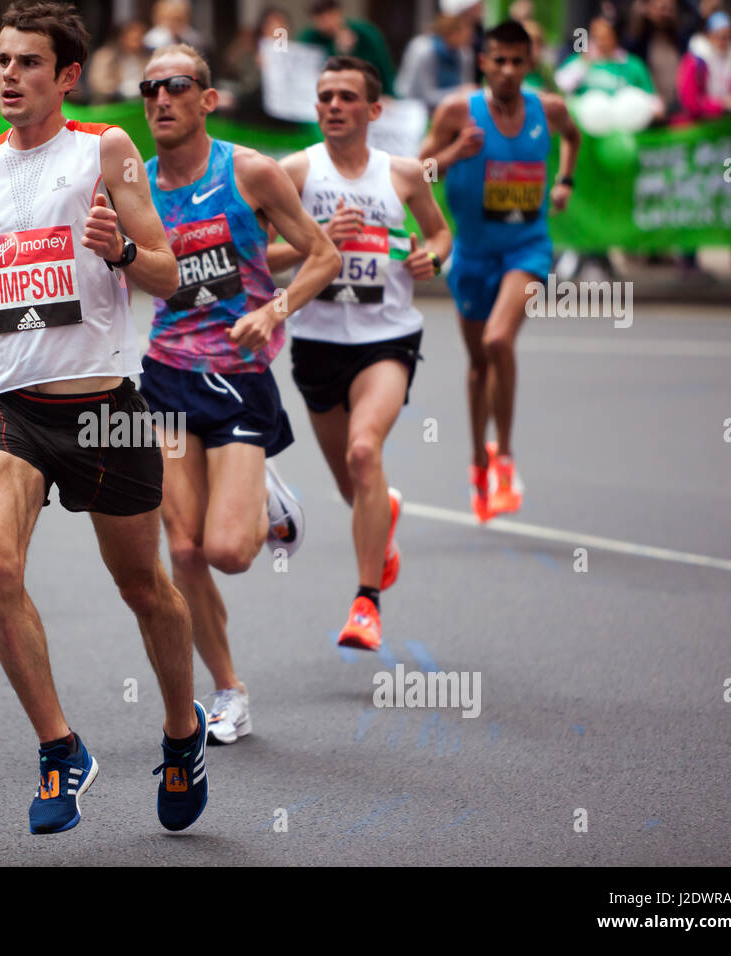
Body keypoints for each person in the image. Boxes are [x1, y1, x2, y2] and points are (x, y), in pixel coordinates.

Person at [0, 0, 209, 835]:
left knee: (145, 588)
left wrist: (121, 252)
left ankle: (181, 731)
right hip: (13, 409)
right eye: (1, 62)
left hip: (106, 409)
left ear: (66, 76)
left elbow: (171, 275)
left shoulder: (106, 150)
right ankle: (61, 751)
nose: (8, 77)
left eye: (27, 64)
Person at [138, 45, 339, 742]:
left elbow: (321, 254)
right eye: (149, 89)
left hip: (238, 376)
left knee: (228, 552)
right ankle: (229, 691)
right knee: (184, 551)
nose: (160, 99)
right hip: (164, 374)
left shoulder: (249, 170)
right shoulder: (135, 187)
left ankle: (266, 501)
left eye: (176, 86)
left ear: (208, 99)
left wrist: (272, 310)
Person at [267, 56, 450, 650]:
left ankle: (366, 603)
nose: (333, 107)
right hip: (317, 344)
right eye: (325, 97)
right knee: (355, 486)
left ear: (374, 110)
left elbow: (440, 233)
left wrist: (434, 257)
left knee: (365, 452)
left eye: (346, 97)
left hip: (387, 337)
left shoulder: (402, 175)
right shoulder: (294, 173)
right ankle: (382, 521)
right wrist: (315, 247)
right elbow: (257, 255)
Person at [419, 20, 579, 523]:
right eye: (498, 60)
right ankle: (477, 459)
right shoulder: (455, 112)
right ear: (483, 62)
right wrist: (452, 154)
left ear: (529, 64)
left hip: (527, 250)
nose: (508, 70)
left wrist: (564, 181)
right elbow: (415, 174)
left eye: (517, 61)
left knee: (498, 342)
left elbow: (572, 137)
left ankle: (504, 458)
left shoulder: (547, 109)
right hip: (471, 254)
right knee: (478, 366)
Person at [298, 0, 395, 97]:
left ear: (339, 13)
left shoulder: (365, 34)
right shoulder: (310, 38)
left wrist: (388, 94)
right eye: (320, 18)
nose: (326, 22)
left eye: (330, 15)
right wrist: (337, 51)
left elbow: (383, 68)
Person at [676, 10, 731, 123]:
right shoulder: (695, 61)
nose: (724, 41)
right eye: (719, 36)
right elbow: (690, 102)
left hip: (726, 127)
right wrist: (722, 105)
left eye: (728, 37)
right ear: (708, 35)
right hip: (699, 126)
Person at [396, 14, 475, 113]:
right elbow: (426, 96)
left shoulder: (465, 54)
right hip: (414, 109)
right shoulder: (423, 50)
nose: (471, 35)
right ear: (451, 33)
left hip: (449, 107)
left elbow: (466, 89)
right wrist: (458, 92)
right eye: (466, 30)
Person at [86, 18, 147, 103]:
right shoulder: (106, 56)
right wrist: (119, 90)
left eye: (140, 37)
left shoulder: (148, 57)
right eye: (133, 38)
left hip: (139, 104)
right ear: (122, 37)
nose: (137, 42)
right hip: (112, 104)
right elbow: (98, 83)